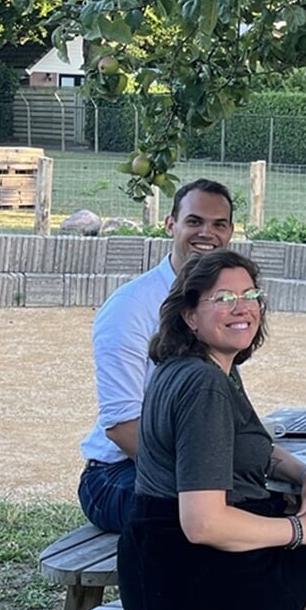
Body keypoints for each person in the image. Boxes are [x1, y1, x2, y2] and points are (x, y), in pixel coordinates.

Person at [117, 249, 306, 610]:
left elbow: (256, 446)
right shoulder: (205, 386)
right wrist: (301, 531)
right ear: (189, 316)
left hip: (156, 569)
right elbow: (203, 524)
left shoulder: (195, 368)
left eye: (251, 296)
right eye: (223, 299)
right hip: (191, 583)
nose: (242, 308)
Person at [78, 178, 235, 533]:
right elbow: (121, 427)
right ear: (170, 225)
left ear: (230, 232)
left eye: (218, 224)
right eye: (194, 221)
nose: (206, 233)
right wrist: (201, 479)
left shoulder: (222, 304)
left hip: (188, 463)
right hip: (117, 475)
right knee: (225, 517)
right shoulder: (129, 307)